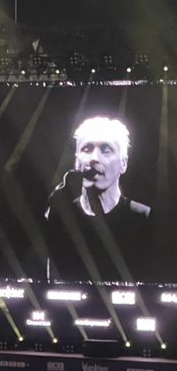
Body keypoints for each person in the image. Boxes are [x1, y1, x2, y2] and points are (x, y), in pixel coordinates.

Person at [45, 116, 151, 282]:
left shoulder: (142, 216)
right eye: (86, 149)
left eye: (106, 150)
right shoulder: (61, 216)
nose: (94, 158)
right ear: (77, 162)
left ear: (123, 163)